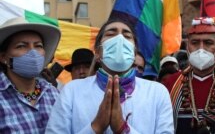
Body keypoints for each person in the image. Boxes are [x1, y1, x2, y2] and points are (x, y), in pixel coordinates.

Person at [45, 18, 174, 134]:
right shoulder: (71, 91)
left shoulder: (157, 92)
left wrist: (122, 128)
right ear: (98, 52)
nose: (119, 40)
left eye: (127, 35)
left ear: (134, 53)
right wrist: (95, 127)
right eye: (111, 34)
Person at [162, 17, 215, 134]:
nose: (201, 49)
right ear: (187, 47)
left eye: (208, 43)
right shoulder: (170, 83)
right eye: (195, 43)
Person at [0, 17, 61, 133]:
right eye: (21, 46)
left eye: (38, 46)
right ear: (3, 57)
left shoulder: (53, 93)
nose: (33, 52)